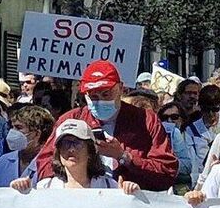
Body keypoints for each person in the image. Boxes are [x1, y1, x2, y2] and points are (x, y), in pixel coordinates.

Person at [30, 60, 177, 191]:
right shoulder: (71, 119)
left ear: (121, 88)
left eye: (106, 94)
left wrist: (124, 157)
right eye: (93, 96)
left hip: (133, 207)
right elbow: (45, 165)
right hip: (82, 201)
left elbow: (167, 172)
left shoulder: (146, 120)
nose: (99, 101)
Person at [12, 119, 141, 193]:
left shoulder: (109, 186)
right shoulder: (45, 187)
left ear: (90, 151)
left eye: (77, 143)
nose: (71, 149)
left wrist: (130, 194)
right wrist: (21, 191)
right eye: (65, 144)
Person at [0, 104, 53, 187]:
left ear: (37, 134)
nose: (13, 132)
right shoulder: (2, 162)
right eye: (12, 127)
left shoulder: (49, 165)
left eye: (19, 128)